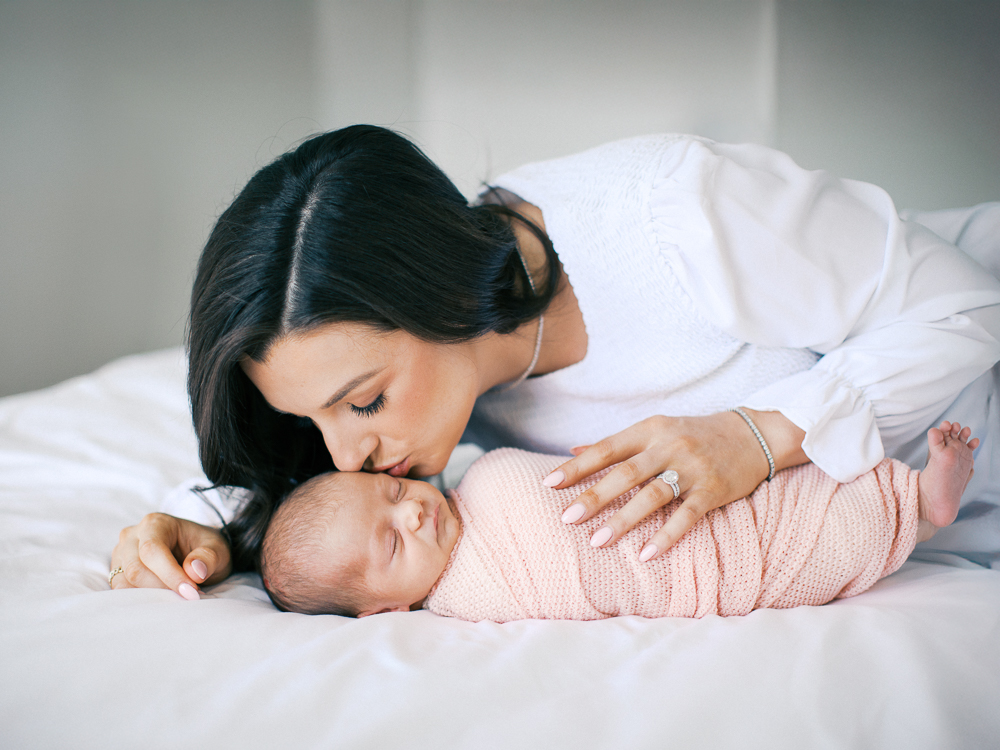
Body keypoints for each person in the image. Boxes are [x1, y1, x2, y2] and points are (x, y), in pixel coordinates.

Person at [109, 125, 1000, 600]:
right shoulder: (428, 413)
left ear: (434, 293)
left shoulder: (675, 215)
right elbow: (335, 514)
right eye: (313, 421)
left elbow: (967, 303)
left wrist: (760, 436)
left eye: (366, 402)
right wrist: (215, 534)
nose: (346, 456)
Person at [259, 422, 978, 621]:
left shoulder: (469, 479)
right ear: (386, 607)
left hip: (702, 501)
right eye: (392, 541)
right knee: (814, 540)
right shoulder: (466, 600)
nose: (412, 510)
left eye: (391, 496)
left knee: (796, 489)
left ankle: (912, 497)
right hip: (711, 563)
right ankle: (923, 506)